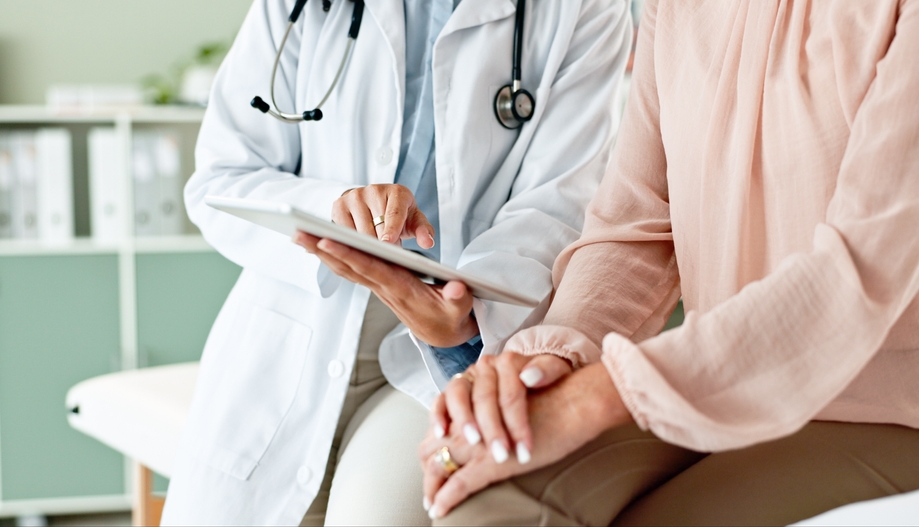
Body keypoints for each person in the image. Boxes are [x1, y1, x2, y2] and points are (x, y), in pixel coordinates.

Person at [418, 0, 919, 524]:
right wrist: (545, 362)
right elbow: (636, 223)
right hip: (707, 381)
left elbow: (855, 279)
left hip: (887, 412)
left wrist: (597, 397)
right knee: (486, 503)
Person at [160, 0, 633, 524]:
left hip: (449, 349)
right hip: (297, 326)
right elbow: (220, 178)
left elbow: (558, 203)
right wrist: (335, 210)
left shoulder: (584, 9)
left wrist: (465, 315)